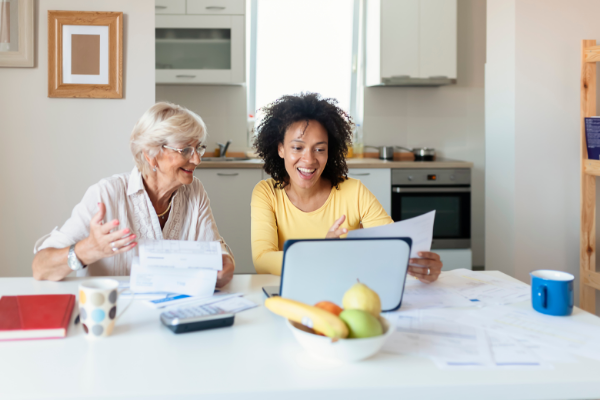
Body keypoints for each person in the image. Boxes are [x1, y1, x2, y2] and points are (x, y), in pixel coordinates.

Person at [32, 102, 235, 287]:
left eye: (198, 148)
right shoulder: (106, 194)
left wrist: (224, 263)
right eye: (185, 150)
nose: (197, 159)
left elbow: (215, 251)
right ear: (151, 154)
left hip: (175, 312)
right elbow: (40, 268)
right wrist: (87, 249)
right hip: (117, 317)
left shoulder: (195, 192)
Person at [250, 93, 442, 283]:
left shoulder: (355, 192)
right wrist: (323, 252)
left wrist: (421, 266)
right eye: (298, 148)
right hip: (290, 292)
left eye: (319, 149)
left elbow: (394, 246)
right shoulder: (267, 193)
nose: (309, 160)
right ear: (280, 149)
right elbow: (263, 260)